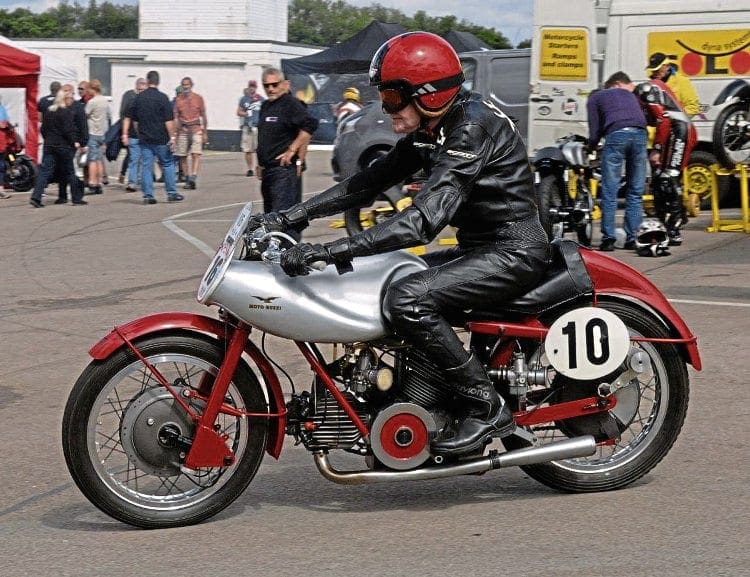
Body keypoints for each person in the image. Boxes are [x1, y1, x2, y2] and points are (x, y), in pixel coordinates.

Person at [250, 32, 550, 456]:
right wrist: (292, 216)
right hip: (481, 247)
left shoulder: (470, 127)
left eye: (392, 97)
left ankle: (486, 406)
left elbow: (421, 222)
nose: (386, 107)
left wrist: (331, 251)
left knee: (407, 298)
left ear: (428, 93)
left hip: (513, 250)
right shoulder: (436, 127)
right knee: (389, 275)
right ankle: (420, 391)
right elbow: (367, 182)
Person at [586, 71, 648, 251]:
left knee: (610, 191)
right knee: (635, 191)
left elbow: (595, 131)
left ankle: (608, 239)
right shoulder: (628, 94)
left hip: (616, 135)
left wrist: (591, 148)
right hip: (640, 134)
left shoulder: (594, 99)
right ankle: (632, 237)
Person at [256, 67, 318, 240]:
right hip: (268, 170)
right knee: (270, 218)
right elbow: (264, 135)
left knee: (284, 218)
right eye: (266, 85)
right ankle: (274, 254)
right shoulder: (266, 106)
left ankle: (289, 254)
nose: (270, 89)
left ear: (284, 84)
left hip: (283, 171)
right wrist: (260, 163)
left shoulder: (291, 104)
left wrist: (293, 152)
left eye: (274, 85)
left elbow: (309, 126)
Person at [635, 80, 697, 246]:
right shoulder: (650, 88)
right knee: (659, 180)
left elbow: (662, 119)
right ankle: (673, 218)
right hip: (674, 133)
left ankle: (674, 228)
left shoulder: (645, 91)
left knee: (667, 179)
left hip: (681, 132)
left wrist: (656, 148)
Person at [123, 69, 183, 204]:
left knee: (146, 166)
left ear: (148, 81)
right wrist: (172, 138)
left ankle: (148, 195)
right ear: (158, 81)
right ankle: (171, 193)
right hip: (161, 138)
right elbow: (169, 121)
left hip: (145, 139)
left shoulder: (139, 98)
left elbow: (135, 120)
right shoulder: (163, 98)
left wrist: (140, 133)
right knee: (167, 164)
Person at [29, 90, 86, 208]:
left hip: (49, 145)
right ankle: (76, 198)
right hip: (63, 146)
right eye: (70, 98)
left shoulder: (49, 111)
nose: (72, 100)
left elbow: (43, 129)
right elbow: (68, 130)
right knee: (70, 172)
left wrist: (48, 139)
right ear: (64, 99)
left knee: (44, 171)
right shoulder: (66, 112)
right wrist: (74, 142)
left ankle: (36, 197)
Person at [173, 77, 208, 190]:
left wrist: (205, 132)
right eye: (184, 85)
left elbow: (203, 115)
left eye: (187, 84)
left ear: (191, 85)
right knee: (182, 156)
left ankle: (193, 176)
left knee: (196, 154)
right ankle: (187, 177)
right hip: (183, 130)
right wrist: (175, 134)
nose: (186, 87)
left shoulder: (198, 98)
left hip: (196, 129)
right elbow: (176, 117)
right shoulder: (178, 100)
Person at [646, 52, 700, 118]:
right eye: (653, 70)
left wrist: (673, 118)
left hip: (676, 125)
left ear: (667, 66)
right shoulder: (649, 84)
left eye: (658, 69)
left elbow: (693, 108)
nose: (655, 72)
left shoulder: (681, 81)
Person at [120, 77, 147, 192]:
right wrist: (125, 134)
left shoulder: (148, 103)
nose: (141, 91)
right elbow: (127, 119)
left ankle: (141, 181)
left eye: (143, 89)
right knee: (134, 159)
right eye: (139, 89)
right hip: (134, 136)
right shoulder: (132, 102)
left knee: (144, 160)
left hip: (147, 136)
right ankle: (132, 183)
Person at [84, 79, 110, 195]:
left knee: (92, 160)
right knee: (99, 158)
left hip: (93, 132)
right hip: (102, 133)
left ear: (92, 89)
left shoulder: (92, 102)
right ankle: (99, 181)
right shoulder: (105, 101)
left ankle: (92, 182)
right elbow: (109, 115)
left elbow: (85, 115)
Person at [237, 80, 264, 177]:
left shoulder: (261, 99)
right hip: (247, 126)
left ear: (256, 87)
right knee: (248, 149)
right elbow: (239, 112)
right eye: (250, 86)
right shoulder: (244, 99)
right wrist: (246, 113)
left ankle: (260, 167)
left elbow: (265, 112)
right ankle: (250, 169)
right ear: (248, 87)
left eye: (253, 86)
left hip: (257, 127)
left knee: (259, 149)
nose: (252, 88)